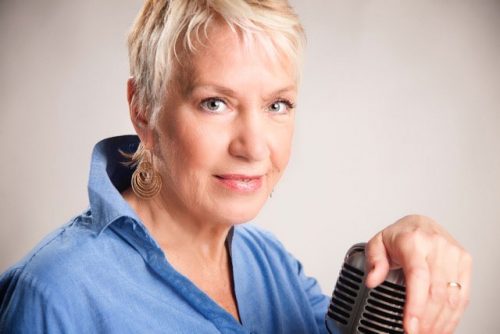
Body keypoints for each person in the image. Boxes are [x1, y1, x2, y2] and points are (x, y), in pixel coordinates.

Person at [0, 1, 471, 333]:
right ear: (143, 108)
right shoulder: (55, 293)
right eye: (215, 102)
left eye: (278, 105)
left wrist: (409, 246)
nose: (253, 147)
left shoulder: (271, 264)